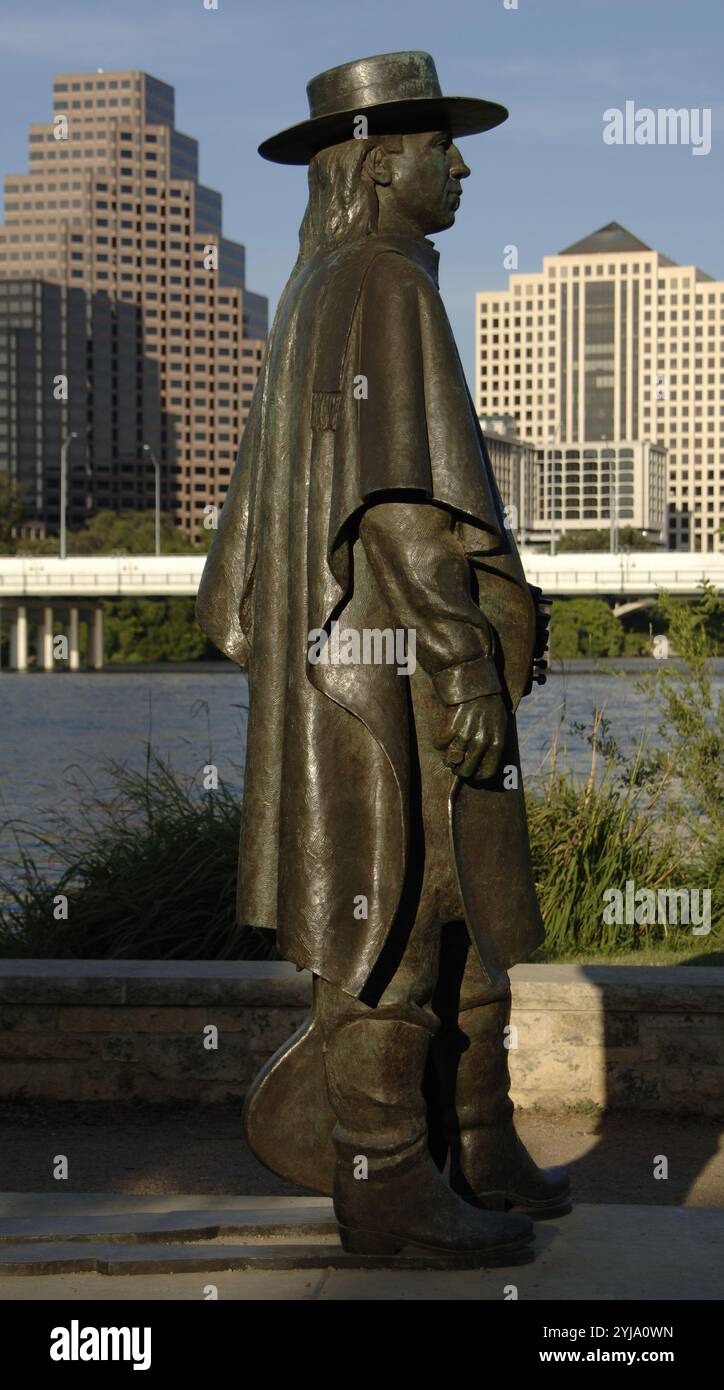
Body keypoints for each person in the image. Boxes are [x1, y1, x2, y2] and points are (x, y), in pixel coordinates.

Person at [197, 51, 569, 1261]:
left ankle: (471, 1143)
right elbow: (400, 506)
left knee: (454, 905)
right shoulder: (380, 284)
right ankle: (388, 1189)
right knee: (397, 920)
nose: (458, 165)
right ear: (375, 160)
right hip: (392, 669)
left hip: (379, 655)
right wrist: (464, 659)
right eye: (437, 146)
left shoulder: (328, 285)